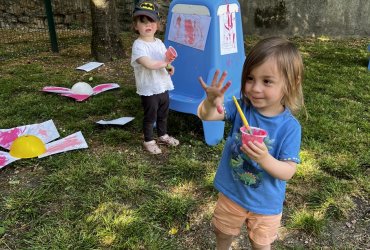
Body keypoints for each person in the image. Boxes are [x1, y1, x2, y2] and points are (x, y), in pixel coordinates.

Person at [197, 37, 305, 250]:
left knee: (260, 244)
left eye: (267, 81)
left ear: (291, 83)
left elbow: (287, 171)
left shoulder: (290, 127)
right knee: (222, 232)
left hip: (266, 205)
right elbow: (206, 116)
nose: (255, 88)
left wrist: (264, 158)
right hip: (231, 194)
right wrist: (210, 103)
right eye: (249, 78)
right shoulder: (241, 107)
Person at [131, 0, 179, 154]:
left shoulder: (159, 42)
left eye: (151, 20)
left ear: (157, 25)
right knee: (150, 115)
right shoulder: (138, 45)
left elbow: (164, 59)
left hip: (162, 85)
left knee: (163, 113)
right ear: (135, 26)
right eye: (142, 21)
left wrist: (169, 66)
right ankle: (149, 140)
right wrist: (165, 62)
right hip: (149, 88)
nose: (147, 25)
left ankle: (163, 135)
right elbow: (148, 63)